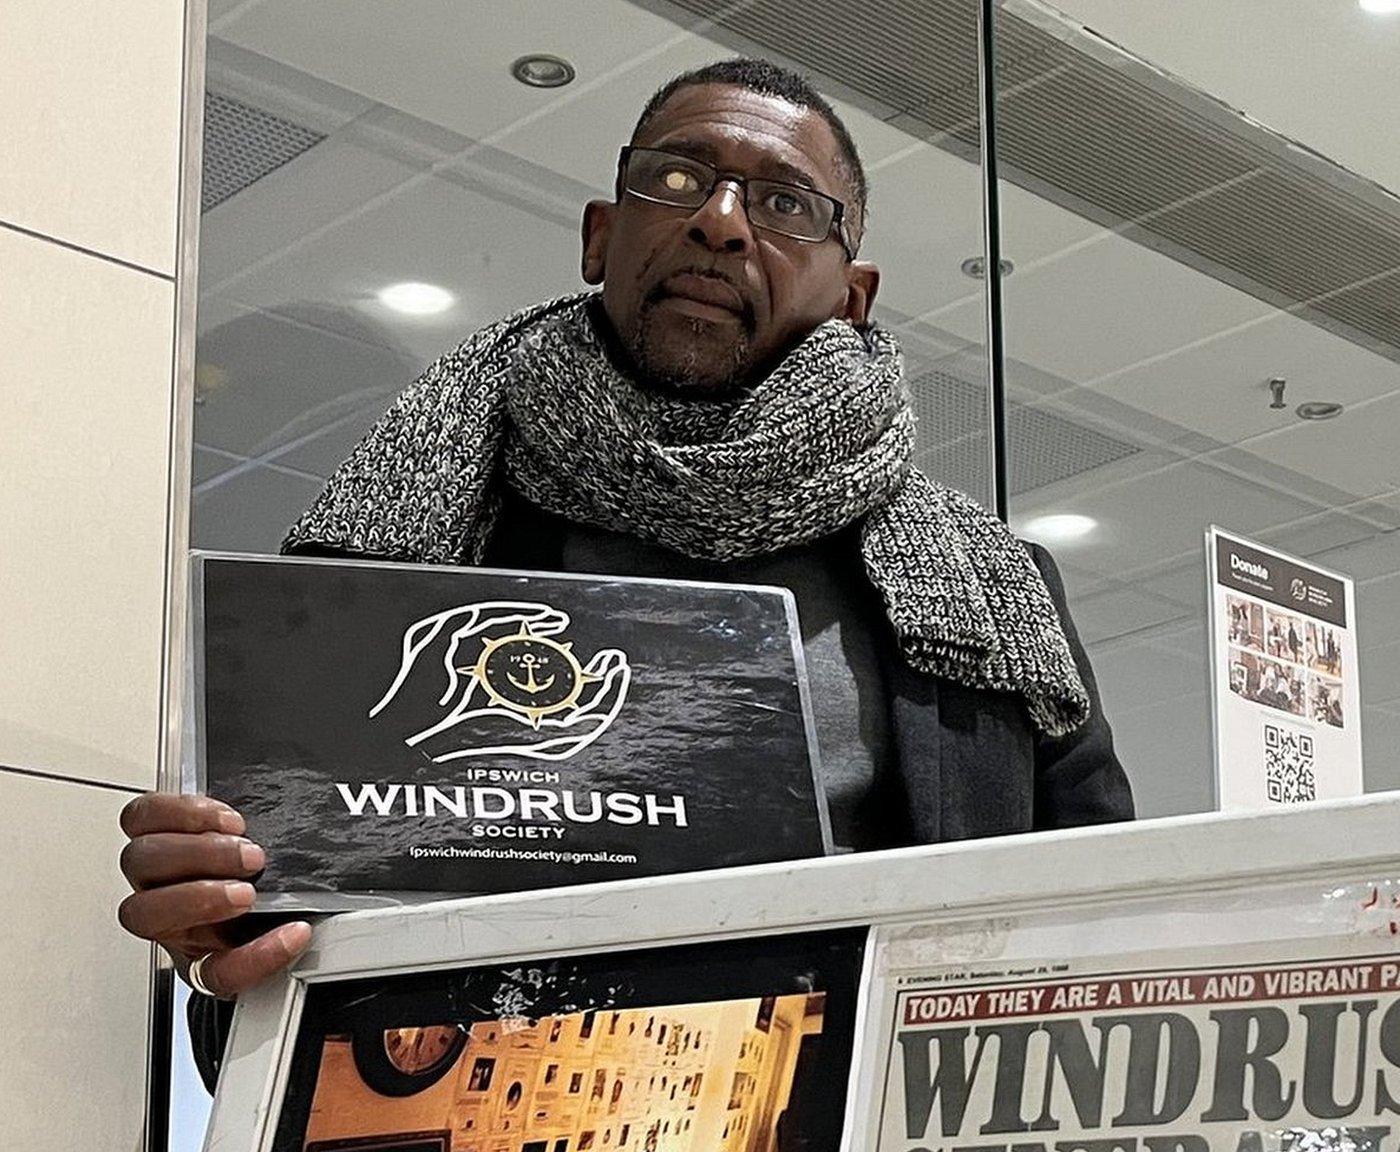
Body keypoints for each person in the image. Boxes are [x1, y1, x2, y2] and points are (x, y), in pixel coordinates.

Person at [114, 57, 1131, 1083]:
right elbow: (269, 1000)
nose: (722, 222)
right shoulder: (392, 545)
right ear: (602, 236)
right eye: (678, 179)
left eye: (784, 202)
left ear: (853, 296)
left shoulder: (989, 590)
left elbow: (1099, 936)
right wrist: (223, 928)